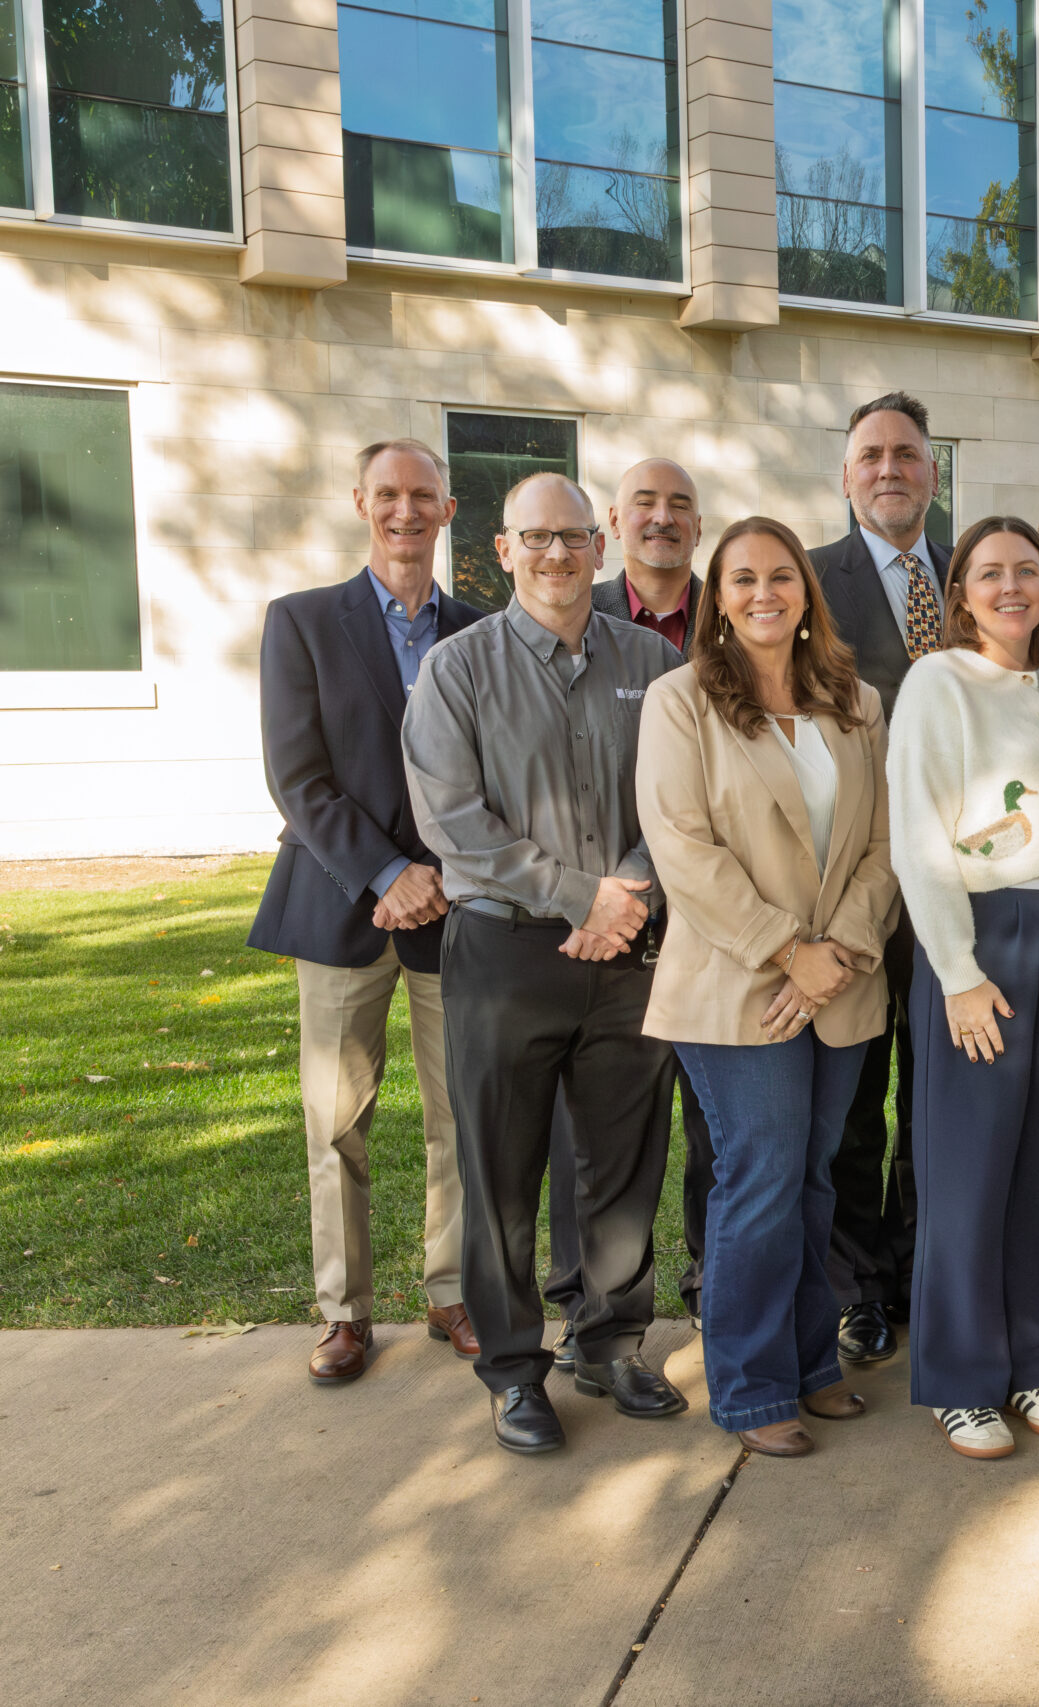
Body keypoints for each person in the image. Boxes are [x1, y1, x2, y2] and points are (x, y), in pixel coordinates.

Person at [402, 471, 687, 1455]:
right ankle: (515, 1370)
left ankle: (607, 1346)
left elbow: (681, 800)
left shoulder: (652, 661)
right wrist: (583, 896)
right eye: (537, 539)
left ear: (600, 549)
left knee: (620, 1163)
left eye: (573, 538)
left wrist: (631, 893)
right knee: (502, 1168)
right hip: (506, 955)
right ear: (500, 549)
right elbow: (452, 823)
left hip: (629, 953)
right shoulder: (458, 668)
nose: (558, 555)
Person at [635, 517, 897, 1458]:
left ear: (806, 592)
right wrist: (792, 951)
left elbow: (885, 845)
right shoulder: (681, 701)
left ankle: (809, 1362)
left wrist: (842, 950)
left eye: (780, 575)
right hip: (735, 981)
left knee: (814, 1181)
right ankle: (749, 1388)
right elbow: (683, 849)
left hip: (842, 984)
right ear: (717, 596)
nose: (762, 592)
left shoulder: (857, 701)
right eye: (740, 578)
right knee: (759, 1181)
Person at [892, 518, 1039, 1460]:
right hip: (989, 937)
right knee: (970, 1163)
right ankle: (961, 1380)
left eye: (1025, 570)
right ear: (961, 591)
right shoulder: (936, 683)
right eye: (989, 573)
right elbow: (919, 835)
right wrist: (956, 972)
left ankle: (1035, 1366)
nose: (1010, 586)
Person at [251, 438, 487, 1384]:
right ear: (361, 502)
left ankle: (453, 1291)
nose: (404, 511)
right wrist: (387, 871)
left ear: (448, 508)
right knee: (337, 1120)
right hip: (345, 903)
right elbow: (297, 779)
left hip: (454, 911)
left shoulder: (480, 628)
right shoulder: (302, 622)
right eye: (387, 494)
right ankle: (345, 1312)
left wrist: (439, 873)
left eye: (421, 495)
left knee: (459, 1115)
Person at [545, 457, 713, 1350]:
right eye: (644, 503)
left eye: (679, 505)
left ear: (699, 523)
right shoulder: (575, 610)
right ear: (614, 520)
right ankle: (587, 1304)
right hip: (609, 921)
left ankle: (708, 1278)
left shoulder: (738, 613)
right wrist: (611, 897)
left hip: (717, 914)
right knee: (602, 1128)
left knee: (716, 1118)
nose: (662, 519)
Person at [810, 392, 953, 1368]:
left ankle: (920, 1271)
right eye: (872, 455)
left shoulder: (975, 580)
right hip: (855, 875)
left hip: (957, 880)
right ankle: (860, 1288)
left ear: (932, 473)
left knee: (938, 1089)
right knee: (859, 1094)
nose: (890, 468)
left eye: (908, 454)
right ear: (846, 475)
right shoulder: (812, 583)